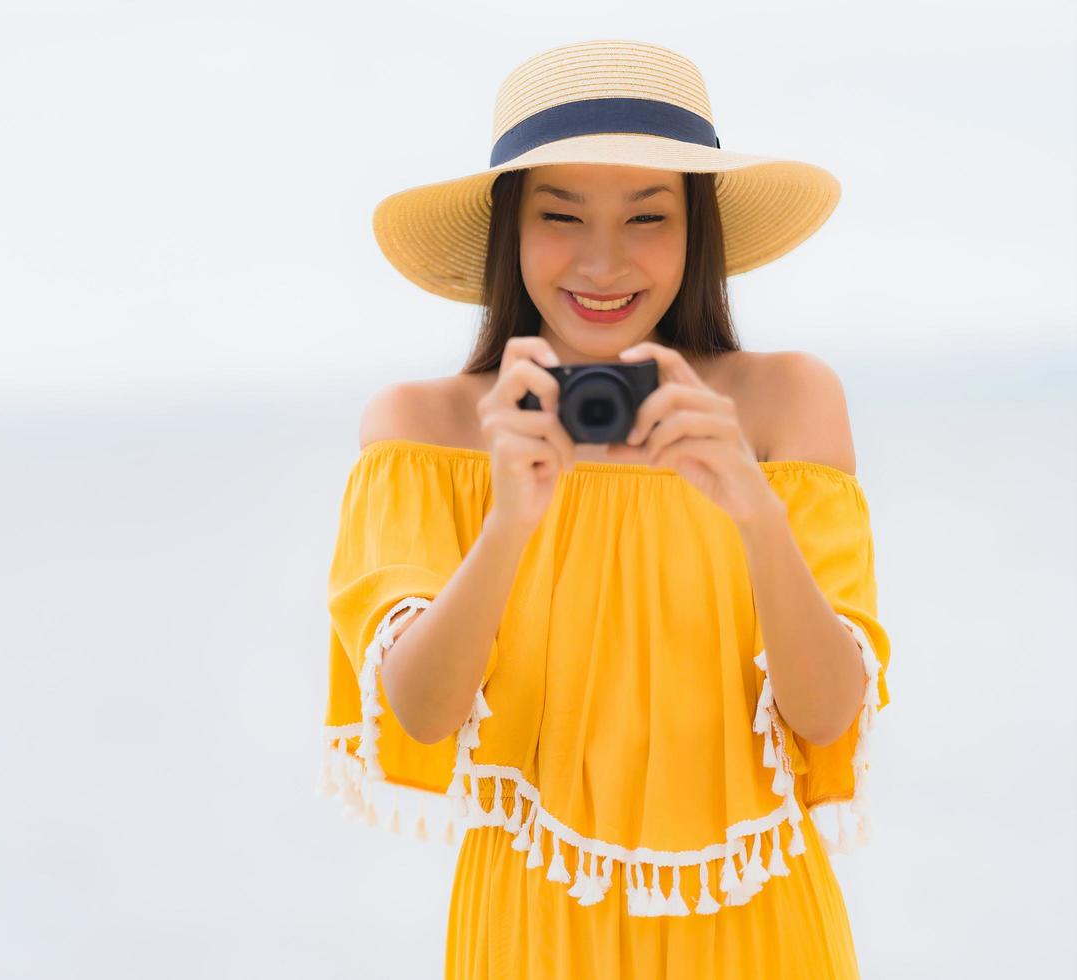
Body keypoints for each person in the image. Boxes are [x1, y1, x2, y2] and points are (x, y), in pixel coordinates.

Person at [315, 39, 892, 979]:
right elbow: (419, 713)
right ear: (513, 228)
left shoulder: (788, 400)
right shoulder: (425, 427)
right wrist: (509, 519)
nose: (603, 259)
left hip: (761, 932)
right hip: (532, 936)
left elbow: (827, 718)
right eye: (561, 214)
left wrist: (751, 506)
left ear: (695, 229)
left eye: (648, 216)